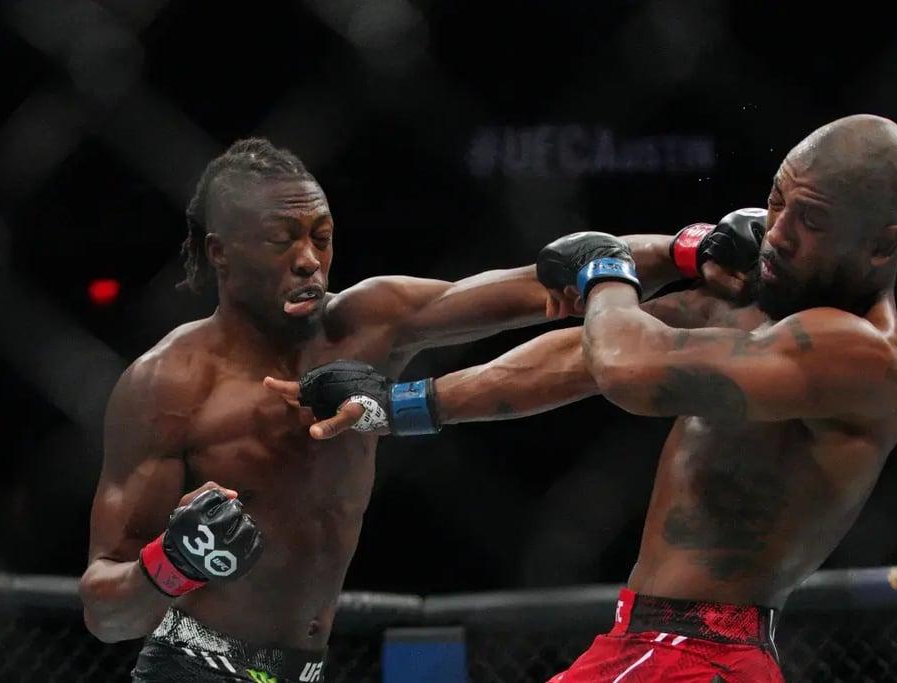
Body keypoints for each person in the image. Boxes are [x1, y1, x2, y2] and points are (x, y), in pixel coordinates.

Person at [282, 114, 897, 681]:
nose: (778, 234)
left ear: (882, 245)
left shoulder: (865, 356)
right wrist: (401, 405)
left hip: (698, 654)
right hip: (657, 644)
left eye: (810, 220)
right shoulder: (768, 301)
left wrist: (606, 271)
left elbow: (630, 367)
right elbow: (583, 356)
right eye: (776, 202)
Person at [78, 137, 695, 682]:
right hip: (195, 667)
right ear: (221, 252)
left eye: (321, 237)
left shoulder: (367, 322)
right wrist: (172, 561)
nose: (308, 260)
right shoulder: (167, 386)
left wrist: (691, 248)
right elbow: (105, 612)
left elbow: (551, 277)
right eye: (281, 240)